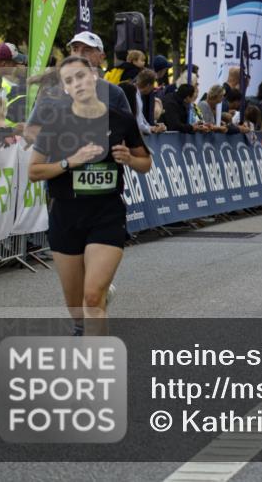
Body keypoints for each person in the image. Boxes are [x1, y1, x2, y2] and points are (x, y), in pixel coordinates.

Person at [28, 56, 151, 336]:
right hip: (66, 215)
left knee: (92, 298)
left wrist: (129, 159)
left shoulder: (121, 119)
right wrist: (70, 162)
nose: (77, 83)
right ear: (64, 89)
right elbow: (34, 171)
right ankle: (85, 319)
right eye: (69, 81)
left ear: (94, 76)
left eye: (81, 76)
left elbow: (146, 163)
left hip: (107, 213)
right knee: (78, 310)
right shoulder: (56, 122)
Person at [133, 69, 166, 135]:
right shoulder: (135, 95)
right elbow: (139, 124)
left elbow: (141, 118)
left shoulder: (136, 93)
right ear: (148, 85)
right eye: (153, 85)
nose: (153, 87)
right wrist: (151, 129)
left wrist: (152, 127)